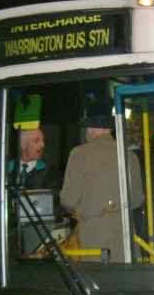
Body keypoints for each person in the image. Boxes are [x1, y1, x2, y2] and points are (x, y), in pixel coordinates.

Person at [60, 102, 143, 263]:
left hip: (94, 245)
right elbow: (138, 199)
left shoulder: (79, 154)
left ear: (90, 129)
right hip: (126, 243)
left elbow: (68, 200)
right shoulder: (129, 156)